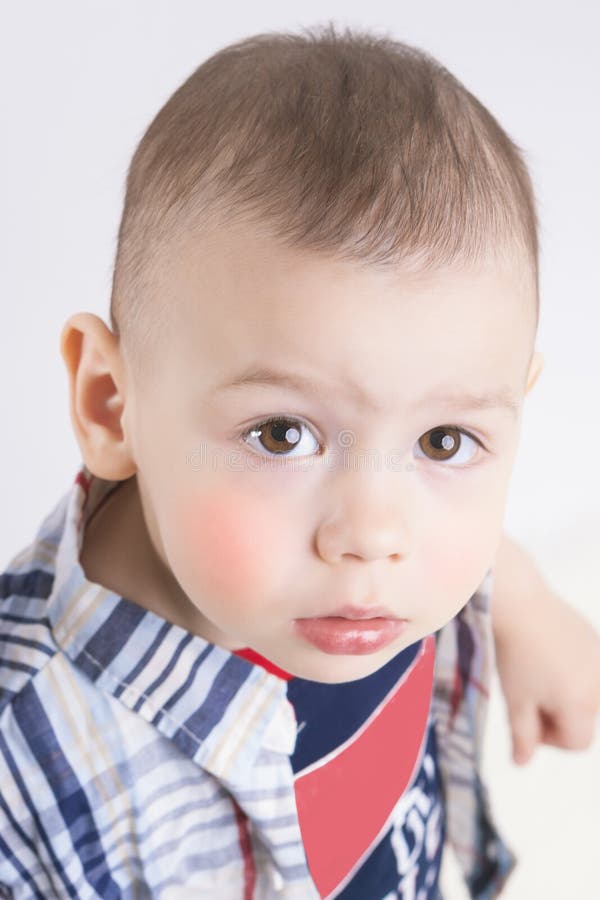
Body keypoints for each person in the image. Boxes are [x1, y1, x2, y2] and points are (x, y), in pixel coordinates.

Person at [1, 23, 598, 900]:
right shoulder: (29, 764)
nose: (375, 534)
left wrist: (527, 603)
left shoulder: (380, 568)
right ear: (111, 403)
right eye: (283, 435)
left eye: (444, 441)